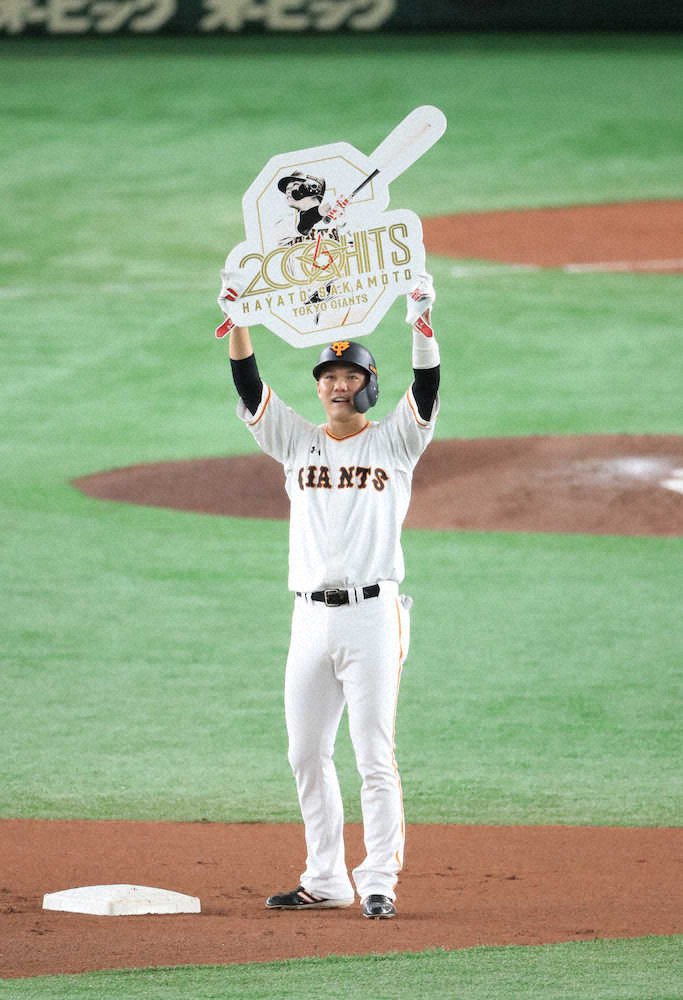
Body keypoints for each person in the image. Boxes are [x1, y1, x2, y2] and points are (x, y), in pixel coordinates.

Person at [219, 270, 440, 919]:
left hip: (373, 615)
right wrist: (237, 324)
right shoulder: (297, 441)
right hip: (308, 619)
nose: (336, 385)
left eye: (349, 376)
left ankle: (377, 879)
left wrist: (420, 321)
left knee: (373, 752)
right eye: (327, 377)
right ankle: (325, 876)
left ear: (368, 385)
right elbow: (250, 388)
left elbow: (425, 389)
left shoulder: (396, 441)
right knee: (304, 752)